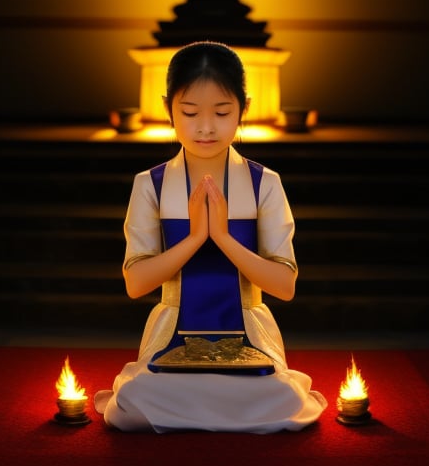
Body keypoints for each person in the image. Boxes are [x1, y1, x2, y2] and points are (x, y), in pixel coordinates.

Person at [95, 41, 327, 432]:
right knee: (140, 397)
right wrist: (193, 239)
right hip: (172, 334)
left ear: (244, 109)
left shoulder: (264, 183)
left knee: (280, 397)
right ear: (168, 109)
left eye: (222, 112)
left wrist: (222, 237)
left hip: (249, 333)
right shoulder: (150, 184)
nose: (206, 127)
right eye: (189, 113)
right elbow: (136, 284)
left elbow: (284, 286)